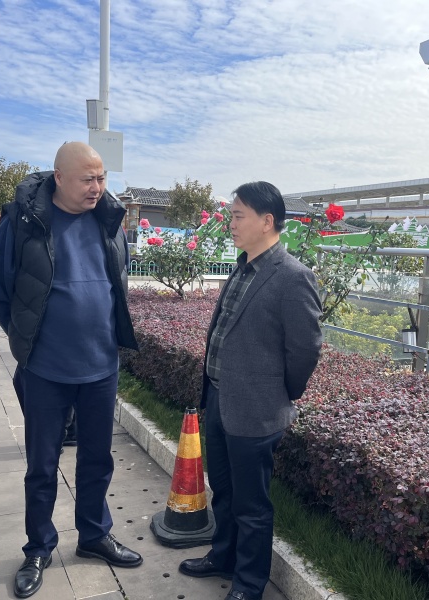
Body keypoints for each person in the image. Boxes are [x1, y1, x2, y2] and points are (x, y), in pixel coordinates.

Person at [0, 142, 140, 599]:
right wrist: (27, 337)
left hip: (101, 367)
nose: (97, 187)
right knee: (42, 466)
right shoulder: (25, 221)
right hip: (45, 370)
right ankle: (38, 548)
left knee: (98, 459)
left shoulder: (108, 219)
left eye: (102, 178)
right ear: (60, 178)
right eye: (88, 179)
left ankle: (94, 535)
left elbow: (117, 280)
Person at [179, 181, 323, 600]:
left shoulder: (292, 277)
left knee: (252, 505)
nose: (231, 223)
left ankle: (248, 584)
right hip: (220, 398)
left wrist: (281, 394)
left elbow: (306, 348)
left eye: (238, 216)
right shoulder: (243, 267)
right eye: (231, 215)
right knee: (223, 491)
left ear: (267, 221)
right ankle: (223, 556)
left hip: (257, 410)